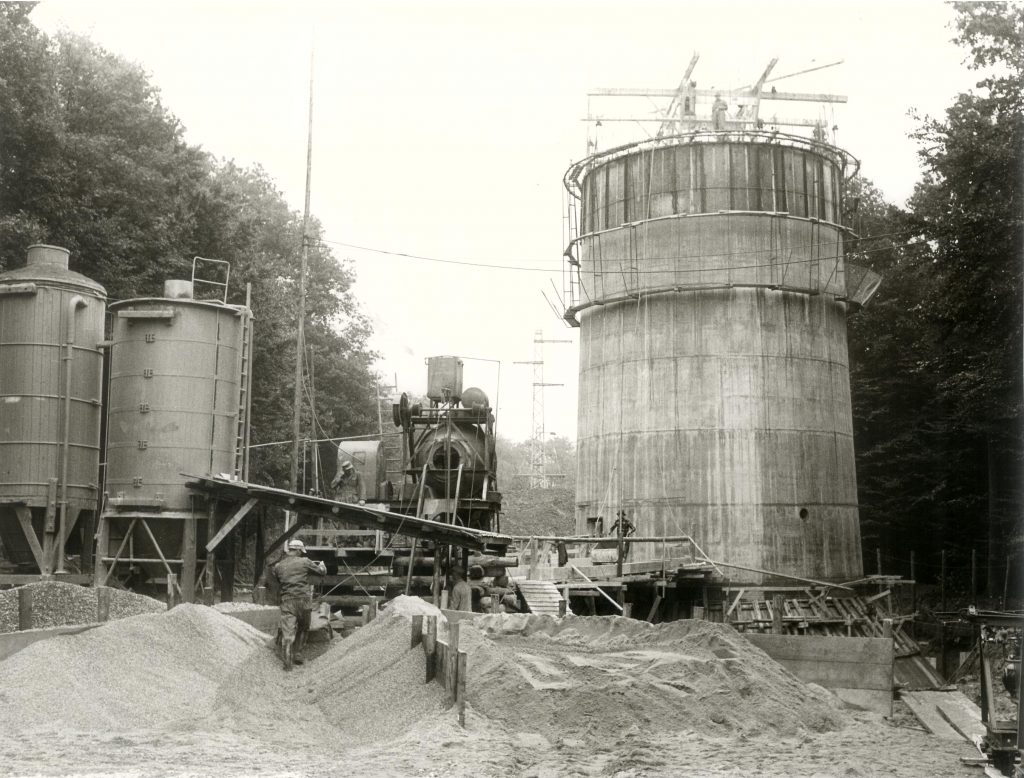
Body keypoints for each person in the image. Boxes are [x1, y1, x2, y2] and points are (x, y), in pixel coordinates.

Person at [268, 539, 325, 670]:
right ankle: (298, 653)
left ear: (289, 551)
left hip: (287, 600)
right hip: (304, 600)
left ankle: (287, 663)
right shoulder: (305, 561)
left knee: (288, 632)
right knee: (304, 627)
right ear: (299, 551)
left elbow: (277, 581)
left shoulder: (278, 566)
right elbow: (321, 571)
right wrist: (322, 565)